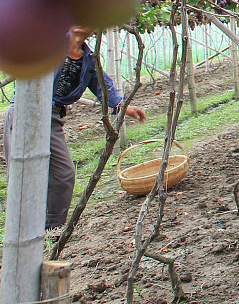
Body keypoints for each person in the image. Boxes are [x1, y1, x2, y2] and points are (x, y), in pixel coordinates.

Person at [2, 26, 147, 229]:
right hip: (26, 113)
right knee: (23, 175)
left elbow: (102, 86)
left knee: (64, 174)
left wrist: (124, 106)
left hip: (52, 120)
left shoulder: (88, 58)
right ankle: (19, 231)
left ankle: (52, 228)